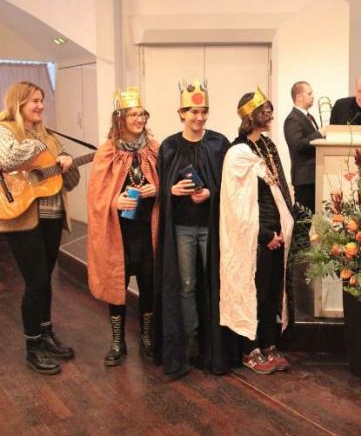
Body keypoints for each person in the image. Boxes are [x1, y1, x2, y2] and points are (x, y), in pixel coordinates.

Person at [154, 80, 238, 377]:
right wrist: (172, 191)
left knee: (214, 282)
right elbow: (161, 188)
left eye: (203, 111)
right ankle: (190, 340)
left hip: (211, 228)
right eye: (193, 111)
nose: (199, 117)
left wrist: (210, 193)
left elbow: (228, 186)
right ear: (181, 113)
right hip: (183, 229)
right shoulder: (169, 146)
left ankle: (214, 344)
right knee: (187, 286)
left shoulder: (218, 143)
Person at [0, 81, 76, 374]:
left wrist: (68, 163)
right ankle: (32, 347)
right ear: (18, 103)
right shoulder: (6, 129)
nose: (41, 106)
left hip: (53, 215)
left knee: (45, 280)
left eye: (42, 100)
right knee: (35, 282)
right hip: (23, 218)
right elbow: (7, 158)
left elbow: (67, 179)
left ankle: (46, 334)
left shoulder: (51, 136)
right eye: (34, 101)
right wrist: (40, 143)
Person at [220, 88, 294, 374]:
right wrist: (265, 235)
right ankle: (249, 348)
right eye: (264, 112)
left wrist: (284, 228)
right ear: (250, 116)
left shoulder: (268, 146)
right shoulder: (237, 152)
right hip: (255, 236)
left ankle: (268, 343)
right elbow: (236, 204)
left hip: (276, 230)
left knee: (273, 292)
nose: (270, 116)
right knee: (255, 291)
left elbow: (280, 190)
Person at [87, 87, 159, 366]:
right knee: (117, 285)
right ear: (120, 118)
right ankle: (118, 341)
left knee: (148, 283)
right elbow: (96, 194)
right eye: (133, 114)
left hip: (146, 230)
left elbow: (167, 183)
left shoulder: (153, 148)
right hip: (118, 233)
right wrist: (114, 201)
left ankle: (147, 337)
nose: (139, 119)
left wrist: (157, 188)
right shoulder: (107, 152)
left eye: (142, 113)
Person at [284, 81, 324, 213]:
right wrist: (319, 134)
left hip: (312, 177)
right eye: (309, 93)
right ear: (299, 97)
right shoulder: (293, 119)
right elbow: (297, 145)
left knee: (310, 218)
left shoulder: (307, 116)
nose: (313, 96)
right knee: (303, 221)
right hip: (304, 178)